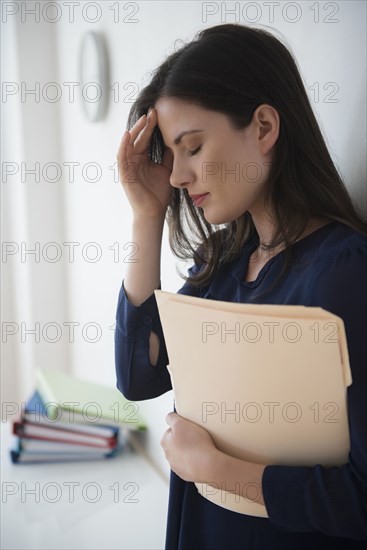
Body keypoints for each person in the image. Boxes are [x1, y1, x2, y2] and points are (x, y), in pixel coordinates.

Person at [114, 23, 367, 549]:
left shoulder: (345, 273)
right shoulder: (222, 264)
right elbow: (140, 377)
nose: (179, 176)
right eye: (170, 153)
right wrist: (146, 215)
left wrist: (218, 470)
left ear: (265, 127)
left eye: (194, 146)